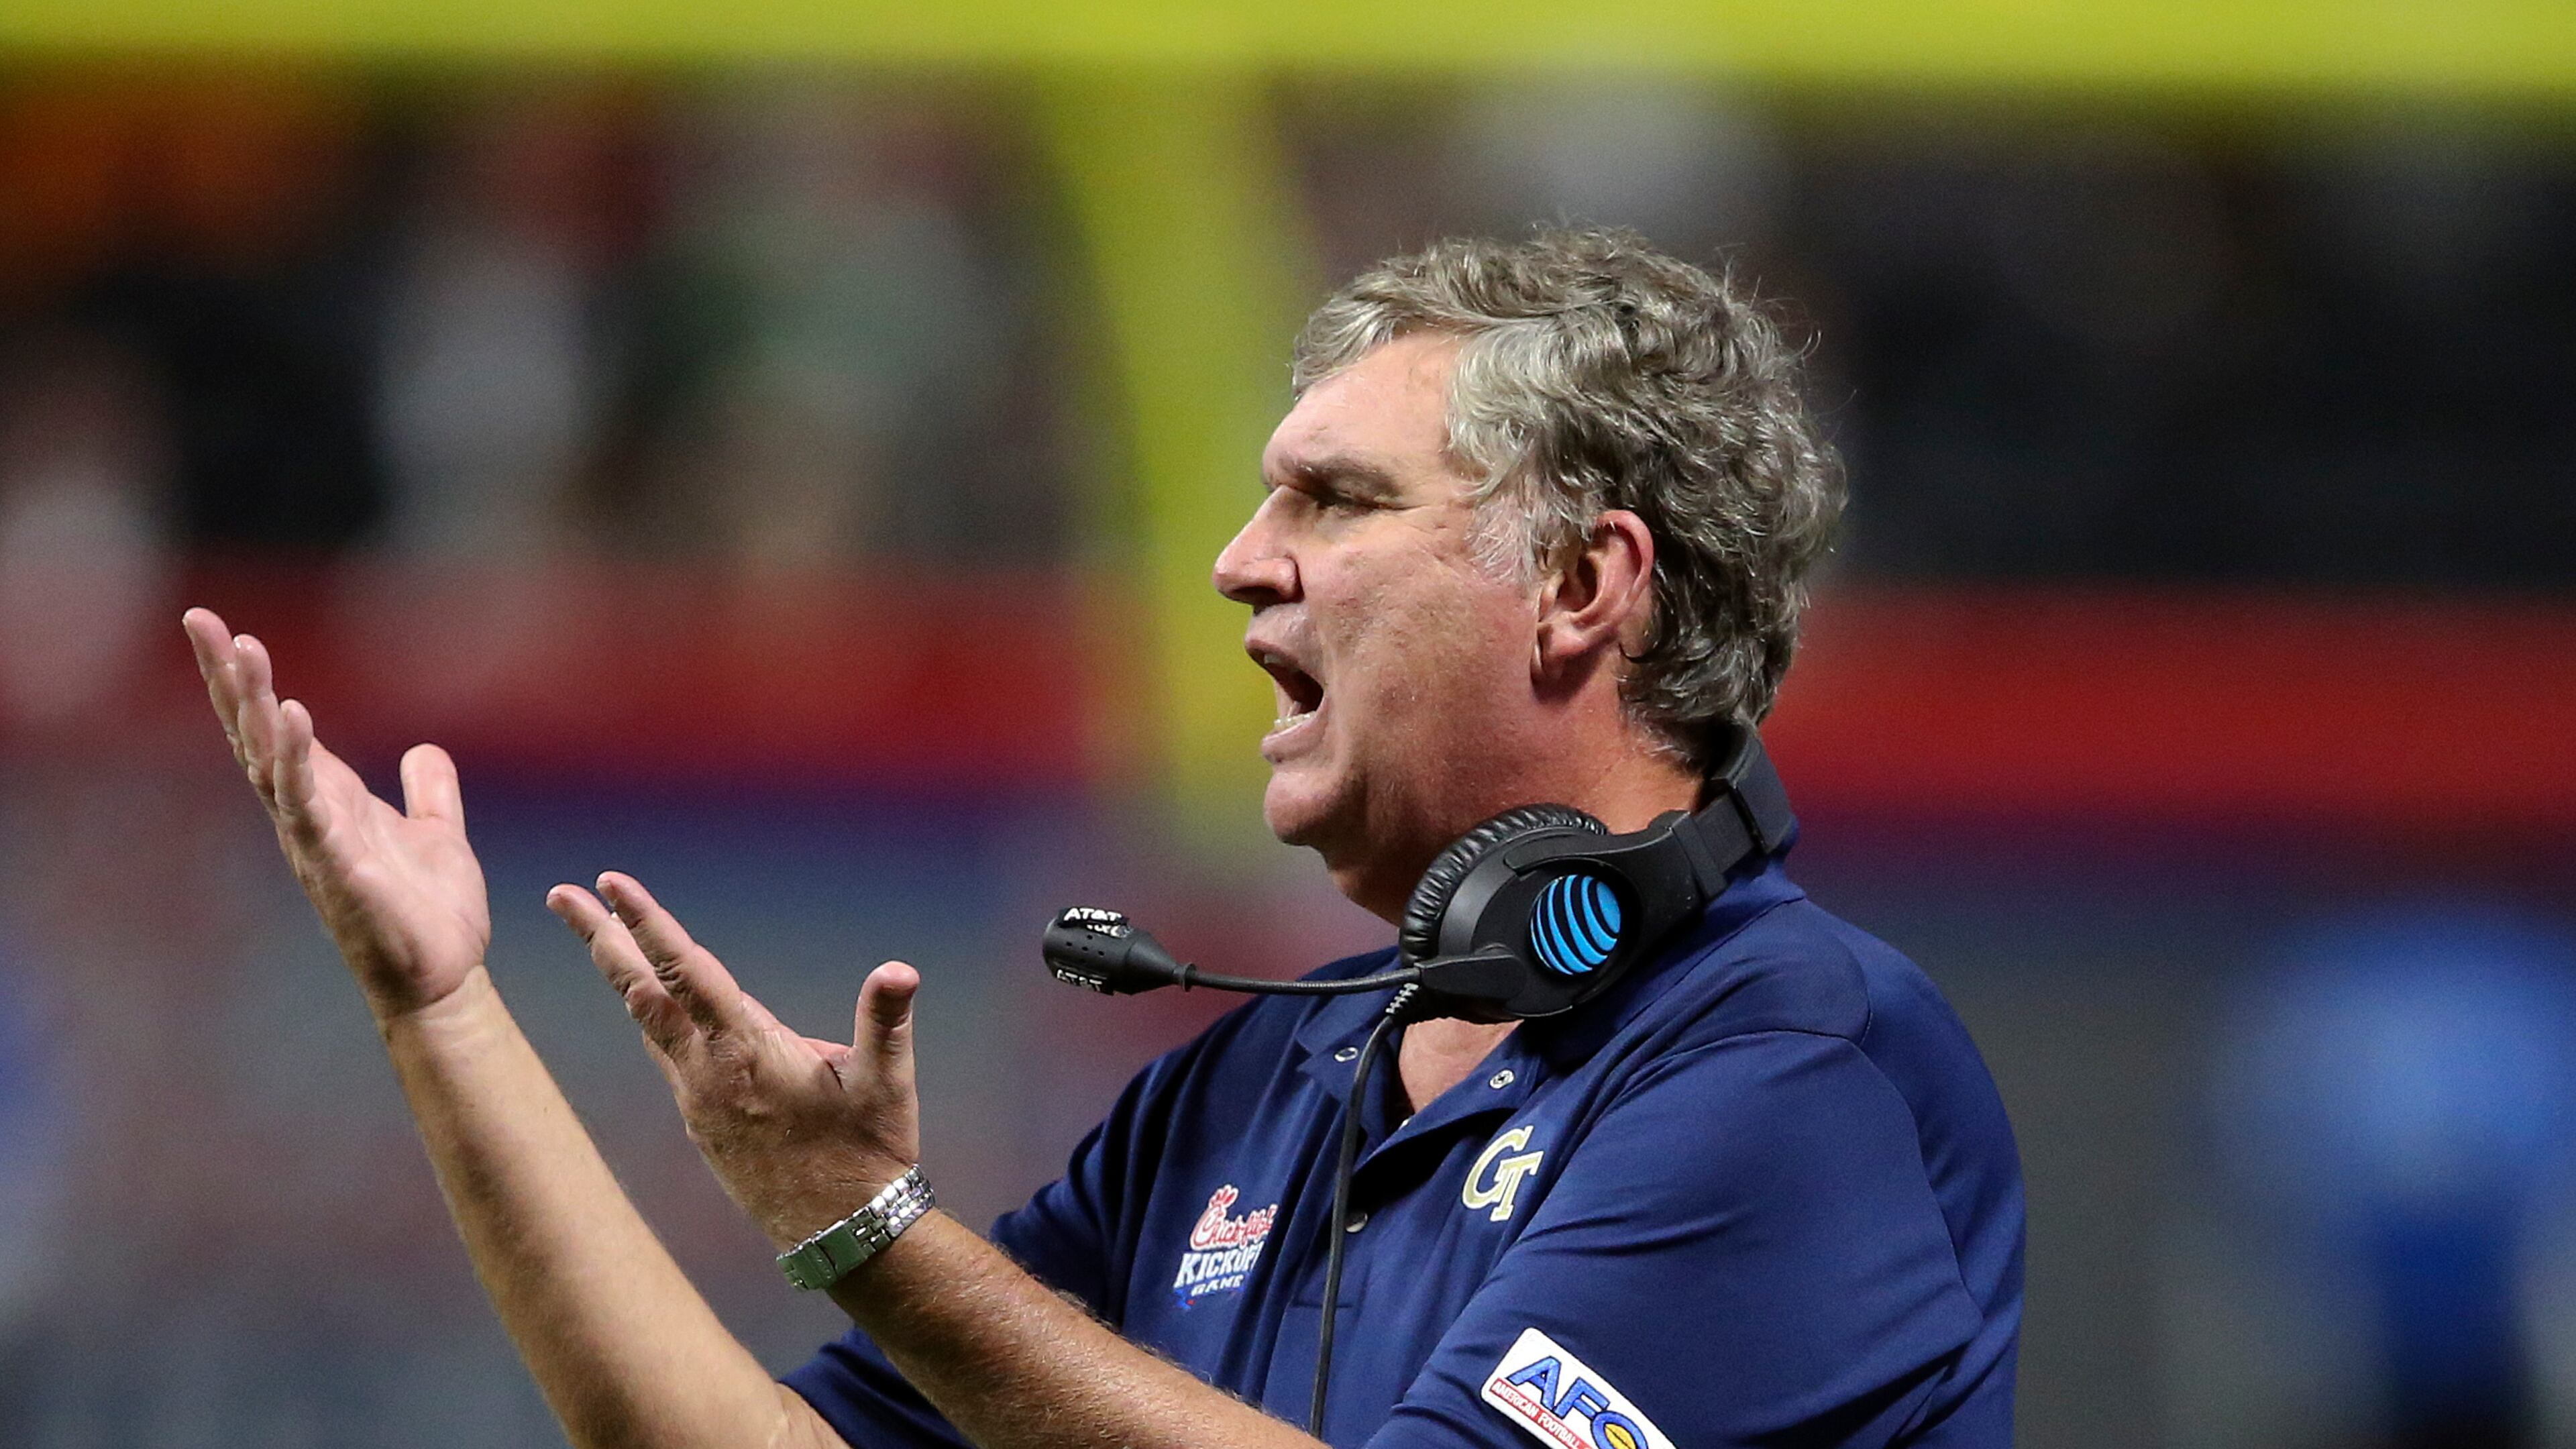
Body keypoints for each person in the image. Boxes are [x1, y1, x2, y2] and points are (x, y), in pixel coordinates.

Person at [184, 227, 2023, 1449]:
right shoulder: (1260, 1084)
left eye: (1337, 496)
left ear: (1575, 585)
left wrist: (869, 1233)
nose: (1240, 557)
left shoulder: (1798, 1067)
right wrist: (443, 1015)